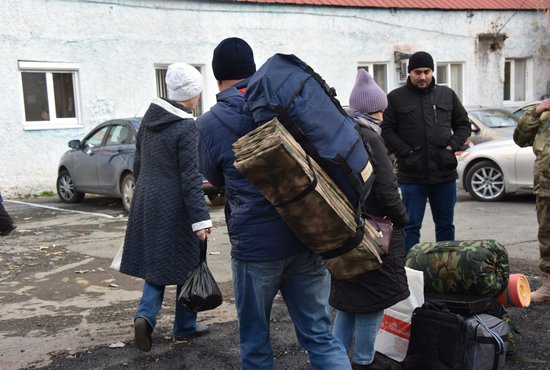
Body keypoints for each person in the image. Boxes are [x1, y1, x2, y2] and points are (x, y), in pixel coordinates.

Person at [196, 37, 351, 370]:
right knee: (320, 336)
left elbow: (215, 178)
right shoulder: (284, 104)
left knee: (255, 341)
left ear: (217, 76)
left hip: (255, 249)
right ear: (253, 71)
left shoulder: (209, 124)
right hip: (307, 234)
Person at [119, 62, 213, 352]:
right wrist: (201, 220)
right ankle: (184, 325)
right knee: (187, 262)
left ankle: (145, 317)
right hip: (175, 205)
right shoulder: (186, 126)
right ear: (193, 95)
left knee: (157, 263)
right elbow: (190, 177)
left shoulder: (148, 122)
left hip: (147, 199)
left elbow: (137, 165)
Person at [330, 69, 410, 370]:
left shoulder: (345, 134)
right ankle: (363, 361)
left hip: (347, 229)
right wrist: (402, 218)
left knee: (350, 303)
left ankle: (334, 361)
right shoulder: (371, 138)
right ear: (376, 109)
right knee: (372, 302)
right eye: (381, 108)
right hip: (376, 233)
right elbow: (388, 190)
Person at [381, 51, 471, 252]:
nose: (422, 77)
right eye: (417, 72)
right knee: (410, 226)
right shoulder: (396, 98)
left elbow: (464, 124)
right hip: (412, 175)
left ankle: (446, 270)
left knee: (446, 225)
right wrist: (406, 153)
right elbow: (386, 130)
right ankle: (409, 273)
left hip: (444, 173)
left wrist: (451, 148)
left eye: (427, 72)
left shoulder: (446, 95)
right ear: (409, 73)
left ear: (432, 72)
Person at [513, 98, 550, 302]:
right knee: (547, 237)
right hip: (546, 187)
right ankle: (549, 287)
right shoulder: (543, 112)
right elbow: (520, 139)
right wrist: (536, 112)